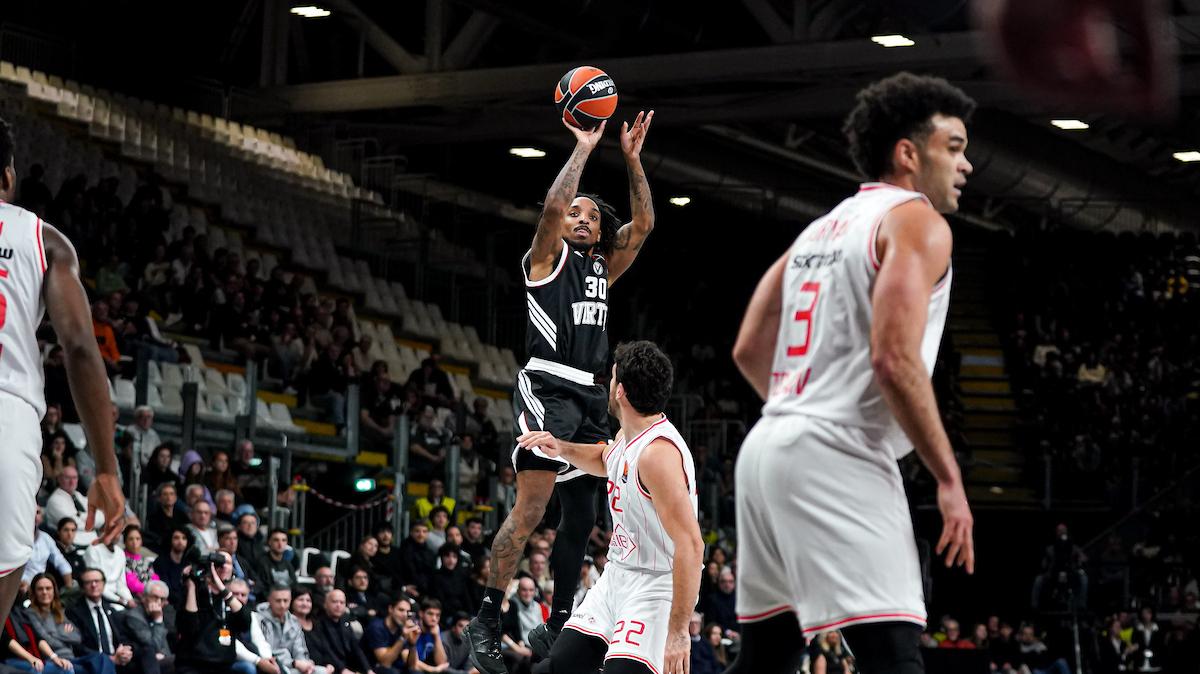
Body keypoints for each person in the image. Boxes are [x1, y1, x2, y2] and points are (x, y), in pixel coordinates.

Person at [726, 73, 977, 674]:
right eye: (955, 146)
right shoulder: (917, 221)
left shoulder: (822, 227)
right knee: (893, 656)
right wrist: (948, 476)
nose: (967, 165)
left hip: (767, 448)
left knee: (770, 655)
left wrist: (801, 412)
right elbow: (893, 359)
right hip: (837, 453)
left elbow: (748, 348)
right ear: (908, 153)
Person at [468, 109, 658, 673]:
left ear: (600, 231)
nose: (576, 217)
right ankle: (487, 618)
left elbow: (643, 224)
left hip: (592, 398)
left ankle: (558, 619)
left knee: (584, 513)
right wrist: (584, 146)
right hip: (546, 385)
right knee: (531, 508)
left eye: (588, 215)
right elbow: (552, 207)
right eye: (572, 213)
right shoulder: (544, 260)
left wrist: (632, 160)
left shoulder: (602, 268)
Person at [511, 340, 701, 674]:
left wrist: (679, 632)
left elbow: (691, 544)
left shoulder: (657, 455)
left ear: (620, 392)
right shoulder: (629, 437)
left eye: (612, 378)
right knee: (554, 668)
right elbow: (605, 457)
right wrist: (560, 447)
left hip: (655, 586)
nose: (608, 384)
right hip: (617, 575)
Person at [175, 552, 252, 674]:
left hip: (223, 665)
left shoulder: (231, 597)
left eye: (227, 563)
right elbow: (189, 628)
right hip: (193, 665)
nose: (223, 566)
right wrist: (191, 586)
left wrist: (223, 589)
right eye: (219, 563)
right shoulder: (196, 592)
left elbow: (245, 623)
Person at [66, 568, 153, 673]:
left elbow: (123, 637)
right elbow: (78, 646)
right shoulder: (74, 612)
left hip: (117, 659)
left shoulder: (111, 609)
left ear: (103, 584)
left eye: (97, 581)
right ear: (82, 587)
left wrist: (126, 651)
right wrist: (107, 658)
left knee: (147, 651)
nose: (94, 585)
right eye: (88, 582)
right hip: (95, 662)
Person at [257, 585, 320, 674]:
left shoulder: (294, 621)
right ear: (269, 600)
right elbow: (266, 653)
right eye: (278, 601)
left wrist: (304, 664)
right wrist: (294, 663)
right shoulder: (259, 620)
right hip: (272, 666)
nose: (282, 605)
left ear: (290, 600)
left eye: (285, 601)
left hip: (294, 665)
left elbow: (300, 649)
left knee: (322, 671)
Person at [311, 590, 373, 674]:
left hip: (349, 667)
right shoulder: (318, 624)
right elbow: (327, 651)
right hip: (331, 668)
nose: (338, 605)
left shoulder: (345, 622)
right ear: (325, 604)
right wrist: (342, 669)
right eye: (334, 602)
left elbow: (356, 648)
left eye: (342, 602)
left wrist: (368, 670)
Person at [122, 580, 176, 673]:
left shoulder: (163, 613)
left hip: (161, 660)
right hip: (142, 665)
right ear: (144, 597)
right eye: (155, 597)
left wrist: (164, 655)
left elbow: (166, 644)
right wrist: (158, 621)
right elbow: (153, 646)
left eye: (162, 599)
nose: (158, 602)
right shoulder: (134, 616)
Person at [45, 466, 107, 547]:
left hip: (92, 541)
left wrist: (80, 515)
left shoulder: (78, 495)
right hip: (71, 545)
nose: (72, 481)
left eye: (74, 478)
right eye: (67, 478)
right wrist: (90, 519)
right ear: (59, 479)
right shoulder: (55, 500)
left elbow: (101, 517)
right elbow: (73, 524)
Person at [21, 506, 74, 593]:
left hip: (42, 583)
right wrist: (23, 583)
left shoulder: (45, 538)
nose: (34, 516)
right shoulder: (15, 539)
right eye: (31, 512)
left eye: (38, 512)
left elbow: (60, 561)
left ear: (41, 518)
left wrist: (69, 587)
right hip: (20, 585)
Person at [363, 595, 422, 674]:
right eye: (401, 610)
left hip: (394, 668)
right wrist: (402, 637)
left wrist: (412, 644)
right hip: (374, 668)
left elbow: (412, 666)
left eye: (407, 612)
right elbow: (385, 663)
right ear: (390, 609)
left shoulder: (402, 629)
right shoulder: (376, 627)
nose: (405, 615)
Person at [83, 529, 136, 608]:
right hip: (98, 596)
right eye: (111, 531)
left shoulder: (120, 552)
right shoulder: (94, 550)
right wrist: (120, 600)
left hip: (117, 597)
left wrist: (129, 599)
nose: (115, 535)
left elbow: (121, 583)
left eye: (118, 532)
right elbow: (95, 584)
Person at [151, 529, 190, 606]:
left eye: (184, 538)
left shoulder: (188, 563)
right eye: (176, 538)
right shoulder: (160, 561)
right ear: (170, 540)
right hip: (167, 603)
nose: (180, 541)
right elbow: (165, 589)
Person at [408, 599, 448, 673]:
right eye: (430, 614)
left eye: (437, 615)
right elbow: (412, 663)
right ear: (421, 613)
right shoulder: (412, 629)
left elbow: (441, 662)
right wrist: (434, 669)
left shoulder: (435, 631)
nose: (434, 619)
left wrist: (437, 637)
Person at [146, 483, 187, 553]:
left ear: (175, 498)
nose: (169, 497)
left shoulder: (182, 515)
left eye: (171, 494)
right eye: (165, 494)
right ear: (159, 498)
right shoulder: (154, 518)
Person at [123, 525, 160, 598]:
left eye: (138, 539)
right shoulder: (123, 559)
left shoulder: (146, 560)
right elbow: (132, 584)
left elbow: (155, 578)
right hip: (134, 597)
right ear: (125, 541)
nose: (134, 542)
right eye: (131, 539)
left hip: (151, 595)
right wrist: (151, 591)